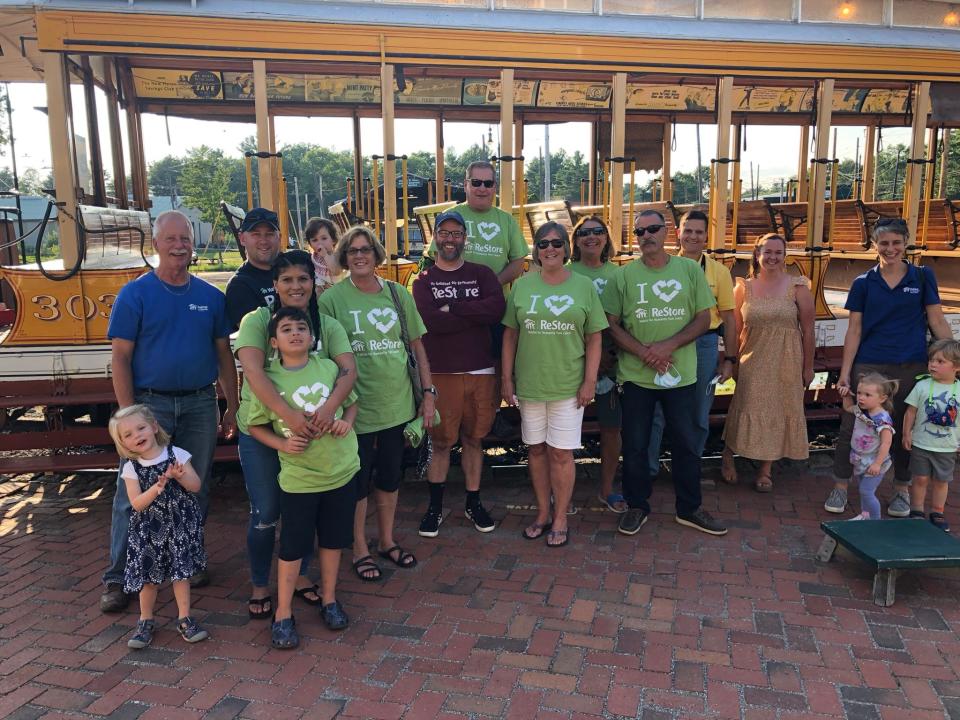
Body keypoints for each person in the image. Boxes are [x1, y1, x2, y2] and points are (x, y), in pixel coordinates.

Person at [100, 210, 238, 613]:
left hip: (198, 402)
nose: (179, 245)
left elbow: (223, 355)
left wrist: (231, 405)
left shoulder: (210, 297)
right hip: (150, 404)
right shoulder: (135, 294)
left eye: (185, 238)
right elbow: (120, 358)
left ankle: (187, 560)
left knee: (196, 483)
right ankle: (117, 577)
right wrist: (129, 416)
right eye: (171, 238)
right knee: (132, 492)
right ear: (156, 243)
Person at [234, 249, 355, 619]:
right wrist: (290, 417)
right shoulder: (258, 321)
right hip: (266, 429)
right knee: (268, 510)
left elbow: (348, 373)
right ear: (275, 285)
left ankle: (300, 578)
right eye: (287, 279)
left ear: (313, 281)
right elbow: (254, 372)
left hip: (314, 439)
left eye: (303, 278)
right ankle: (260, 584)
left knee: (302, 511)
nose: (296, 286)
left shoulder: (325, 324)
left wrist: (330, 408)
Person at [319, 226, 436, 581]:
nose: (359, 255)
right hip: (354, 410)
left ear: (376, 254)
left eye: (365, 249)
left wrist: (428, 394)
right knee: (357, 484)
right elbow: (325, 358)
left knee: (389, 478)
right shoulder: (332, 300)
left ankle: (386, 540)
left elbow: (417, 347)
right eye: (352, 250)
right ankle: (359, 549)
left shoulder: (398, 295)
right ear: (343, 256)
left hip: (396, 405)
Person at [602, 209, 726, 537]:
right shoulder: (622, 276)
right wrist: (645, 352)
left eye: (652, 229)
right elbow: (611, 325)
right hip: (636, 376)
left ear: (666, 231)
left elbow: (704, 318)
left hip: (681, 374)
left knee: (686, 442)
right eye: (640, 232)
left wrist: (667, 346)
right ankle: (637, 506)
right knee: (637, 445)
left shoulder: (688, 270)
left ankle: (690, 508)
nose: (646, 237)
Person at [247, 307, 360, 646]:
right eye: (286, 329)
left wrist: (346, 421)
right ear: (273, 341)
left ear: (313, 338)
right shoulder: (268, 380)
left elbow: (352, 402)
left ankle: (329, 599)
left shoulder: (327, 367)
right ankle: (283, 613)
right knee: (293, 546)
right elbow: (254, 425)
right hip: (300, 479)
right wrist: (282, 442)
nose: (295, 333)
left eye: (301, 328)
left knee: (332, 541)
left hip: (341, 471)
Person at [824, 219, 953, 515]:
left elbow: (936, 320)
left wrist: (953, 361)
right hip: (869, 366)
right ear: (874, 245)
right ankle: (841, 486)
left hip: (912, 365)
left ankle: (901, 490)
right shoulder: (862, 283)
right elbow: (854, 330)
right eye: (884, 243)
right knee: (852, 426)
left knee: (906, 426)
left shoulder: (922, 277)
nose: (890, 248)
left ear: (906, 242)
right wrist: (845, 373)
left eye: (896, 242)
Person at [502, 222, 607, 547]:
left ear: (566, 248)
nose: (550, 249)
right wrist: (506, 378)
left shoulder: (583, 287)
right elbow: (510, 334)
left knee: (561, 454)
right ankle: (542, 513)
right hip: (530, 384)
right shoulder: (522, 286)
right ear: (536, 249)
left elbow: (594, 337)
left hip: (568, 386)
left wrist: (589, 380)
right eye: (544, 243)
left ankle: (561, 517)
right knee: (535, 450)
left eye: (557, 243)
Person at [411, 210, 506, 537]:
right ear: (435, 237)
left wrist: (455, 308)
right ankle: (435, 507)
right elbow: (431, 321)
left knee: (474, 439)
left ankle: (473, 502)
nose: (450, 239)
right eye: (444, 233)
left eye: (456, 233)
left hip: (481, 370)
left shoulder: (482, 274)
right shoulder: (423, 281)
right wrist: (471, 313)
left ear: (465, 238)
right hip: (441, 372)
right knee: (441, 443)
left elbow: (496, 310)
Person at [108, 405, 208, 649]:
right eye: (128, 435)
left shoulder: (177, 455)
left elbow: (195, 486)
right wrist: (158, 486)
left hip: (178, 528)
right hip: (149, 532)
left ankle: (184, 617)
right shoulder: (132, 467)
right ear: (123, 443)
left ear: (153, 427)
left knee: (180, 574)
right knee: (148, 579)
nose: (137, 436)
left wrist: (180, 475)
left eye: (140, 428)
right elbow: (137, 504)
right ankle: (145, 620)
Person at [721, 234, 814, 492]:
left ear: (785, 256)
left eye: (778, 252)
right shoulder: (744, 287)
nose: (773, 257)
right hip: (753, 358)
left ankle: (765, 469)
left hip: (787, 359)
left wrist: (808, 367)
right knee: (745, 405)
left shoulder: (798, 287)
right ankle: (728, 454)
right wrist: (733, 361)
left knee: (780, 408)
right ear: (757, 255)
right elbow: (736, 330)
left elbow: (808, 330)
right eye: (767, 252)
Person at [648, 210, 737, 479]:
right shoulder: (662, 266)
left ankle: (687, 469)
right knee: (658, 411)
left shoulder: (719, 272)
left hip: (703, 345)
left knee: (698, 412)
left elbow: (730, 319)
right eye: (688, 231)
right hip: (668, 345)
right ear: (678, 234)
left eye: (699, 232)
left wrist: (730, 359)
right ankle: (649, 470)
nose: (693, 236)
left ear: (706, 237)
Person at [569, 215, 626, 513]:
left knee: (611, 427)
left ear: (607, 238)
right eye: (584, 233)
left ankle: (606, 489)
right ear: (575, 241)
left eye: (598, 231)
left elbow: (623, 319)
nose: (591, 237)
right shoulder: (565, 272)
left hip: (609, 363)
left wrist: (607, 355)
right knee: (563, 430)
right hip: (569, 361)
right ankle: (560, 490)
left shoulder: (619, 275)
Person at [427, 161, 527, 288]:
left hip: (494, 302)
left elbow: (518, 262)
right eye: (476, 182)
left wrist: (492, 284)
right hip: (456, 299)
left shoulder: (508, 220)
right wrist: (464, 286)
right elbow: (439, 256)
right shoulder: (448, 216)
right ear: (465, 185)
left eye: (488, 183)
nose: (482, 188)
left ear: (494, 187)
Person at [903, 339, 960, 532]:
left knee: (941, 481)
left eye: (940, 361)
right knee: (920, 478)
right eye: (931, 360)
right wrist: (906, 434)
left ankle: (937, 511)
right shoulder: (922, 386)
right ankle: (917, 510)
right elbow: (910, 411)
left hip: (947, 447)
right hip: (921, 443)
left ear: (957, 367)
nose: (933, 364)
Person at [838, 372, 898, 520]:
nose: (861, 397)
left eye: (867, 395)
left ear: (882, 398)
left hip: (874, 462)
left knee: (866, 491)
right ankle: (865, 515)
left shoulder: (882, 419)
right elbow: (848, 408)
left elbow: (886, 443)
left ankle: (875, 522)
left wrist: (877, 463)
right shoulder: (861, 409)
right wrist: (846, 395)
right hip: (860, 459)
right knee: (862, 490)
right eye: (859, 393)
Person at [225, 208, 282, 330]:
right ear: (242, 239)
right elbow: (254, 333)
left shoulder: (297, 267)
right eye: (256, 234)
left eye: (270, 234)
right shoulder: (239, 285)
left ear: (279, 237)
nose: (263, 241)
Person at [304, 216, 343, 293]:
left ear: (333, 240)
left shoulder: (336, 256)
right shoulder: (313, 258)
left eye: (324, 238)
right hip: (320, 285)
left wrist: (325, 255)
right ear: (310, 244)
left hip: (337, 287)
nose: (320, 243)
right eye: (315, 240)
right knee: (318, 290)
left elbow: (336, 271)